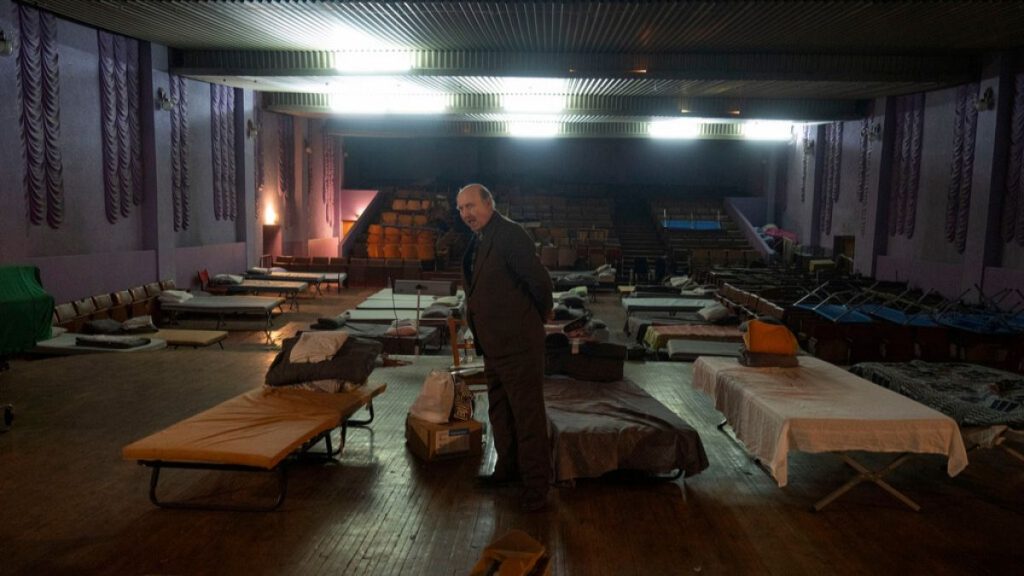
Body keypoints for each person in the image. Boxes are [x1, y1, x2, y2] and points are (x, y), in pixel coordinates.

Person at [456, 183, 554, 512]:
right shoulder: (481, 238)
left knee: (527, 417)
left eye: (470, 206)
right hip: (493, 345)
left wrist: (533, 320)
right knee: (500, 411)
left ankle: (536, 488)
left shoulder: (510, 235)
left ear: (489, 203)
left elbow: (540, 283)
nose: (465, 214)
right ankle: (507, 471)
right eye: (460, 209)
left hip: (518, 344)